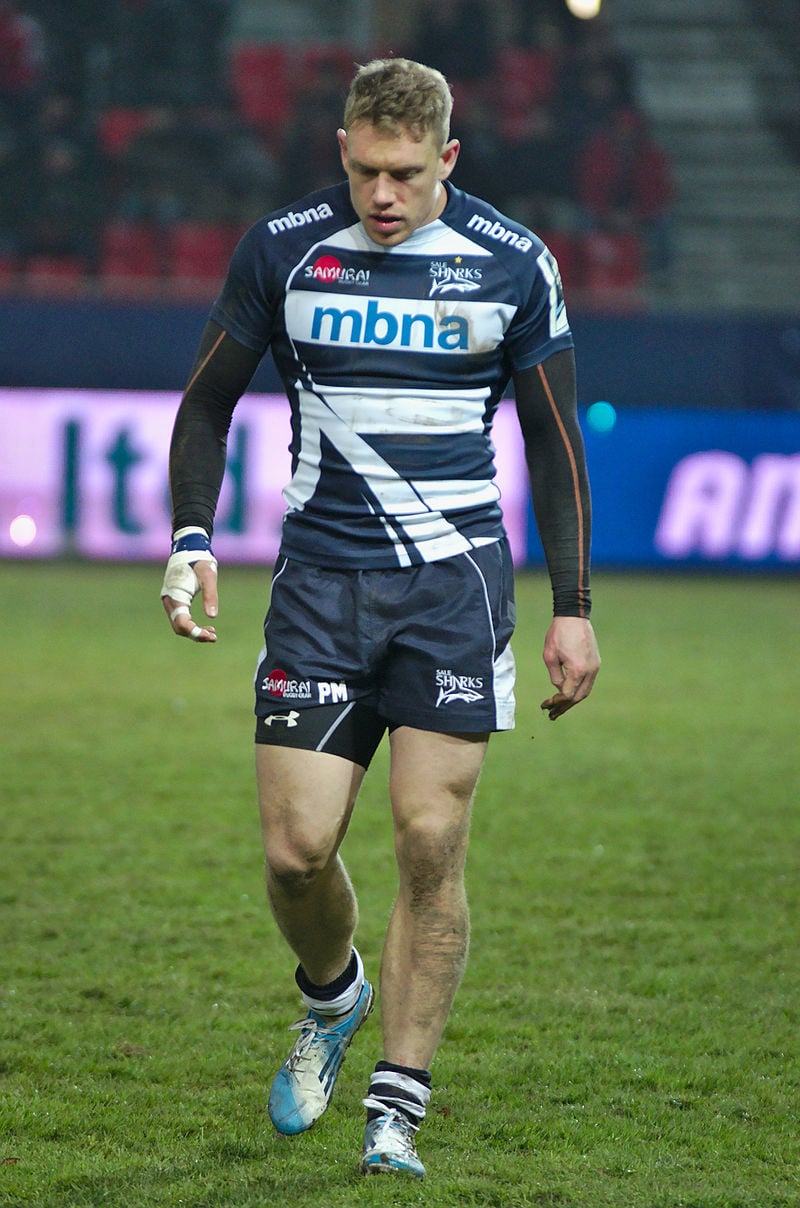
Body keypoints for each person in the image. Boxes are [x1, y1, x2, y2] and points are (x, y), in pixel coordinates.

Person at [160, 57, 600, 1180]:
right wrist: (193, 537)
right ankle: (332, 993)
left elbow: (552, 441)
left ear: (446, 157)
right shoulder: (285, 248)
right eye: (363, 171)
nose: (382, 196)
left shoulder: (511, 265)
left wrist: (574, 608)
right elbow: (207, 402)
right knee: (296, 849)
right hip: (318, 586)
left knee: (426, 836)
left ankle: (394, 1108)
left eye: (404, 173)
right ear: (343, 154)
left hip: (453, 591)